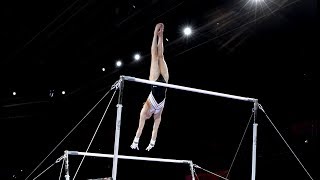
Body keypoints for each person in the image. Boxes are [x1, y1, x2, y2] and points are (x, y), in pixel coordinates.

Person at [130, 23, 169, 151]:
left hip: (154, 80)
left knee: (155, 57)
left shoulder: (145, 109)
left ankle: (156, 35)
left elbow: (140, 127)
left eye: (145, 117)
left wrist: (136, 141)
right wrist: (152, 143)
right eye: (147, 118)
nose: (146, 117)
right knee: (161, 56)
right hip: (165, 81)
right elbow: (155, 128)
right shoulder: (157, 113)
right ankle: (161, 36)